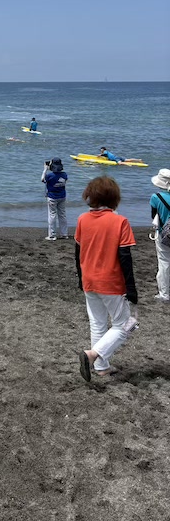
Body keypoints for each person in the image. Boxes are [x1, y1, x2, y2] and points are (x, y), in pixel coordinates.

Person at [75, 175, 137, 381]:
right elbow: (125, 257)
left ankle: (101, 367)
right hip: (111, 282)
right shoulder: (120, 222)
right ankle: (93, 355)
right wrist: (131, 288)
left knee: (98, 324)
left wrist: (80, 278)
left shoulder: (82, 219)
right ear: (114, 198)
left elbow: (78, 252)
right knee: (124, 325)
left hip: (89, 279)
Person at [150, 168, 170, 302]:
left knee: (164, 262)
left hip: (164, 233)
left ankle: (164, 293)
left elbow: (153, 215)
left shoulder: (156, 197)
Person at [41, 157, 68, 241]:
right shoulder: (64, 175)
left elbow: (42, 179)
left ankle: (52, 235)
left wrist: (45, 169)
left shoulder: (50, 175)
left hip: (52, 197)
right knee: (62, 215)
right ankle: (64, 234)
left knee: (52, 215)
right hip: (62, 196)